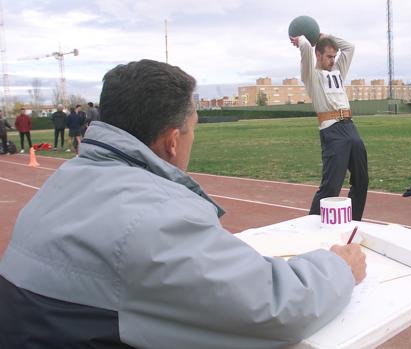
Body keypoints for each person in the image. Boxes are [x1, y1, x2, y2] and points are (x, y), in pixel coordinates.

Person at [0, 59, 366, 349]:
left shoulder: (63, 182)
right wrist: (338, 267)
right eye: (193, 126)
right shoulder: (153, 214)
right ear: (173, 140)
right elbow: (276, 308)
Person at [290, 32, 369, 221]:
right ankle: (312, 225)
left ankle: (353, 221)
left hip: (350, 127)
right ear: (318, 55)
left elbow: (350, 47)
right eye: (329, 56)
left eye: (334, 56)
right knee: (331, 186)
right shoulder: (312, 76)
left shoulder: (338, 72)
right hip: (332, 132)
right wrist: (302, 39)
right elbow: (306, 51)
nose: (333, 60)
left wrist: (326, 36)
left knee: (362, 179)